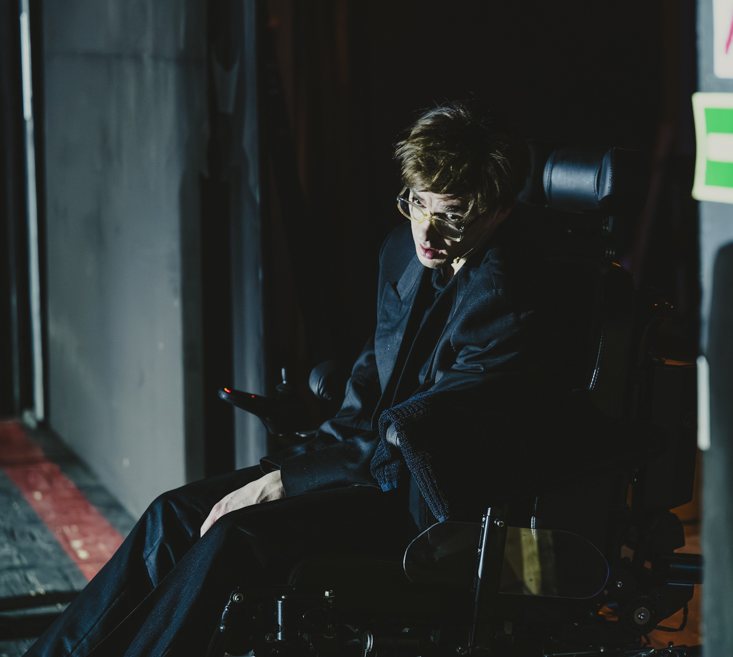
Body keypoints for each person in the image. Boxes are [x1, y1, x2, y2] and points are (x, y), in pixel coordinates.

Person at [26, 100, 592, 657]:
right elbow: (371, 385)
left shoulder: (511, 301)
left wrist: (283, 484)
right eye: (417, 203)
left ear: (500, 211)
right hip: (362, 463)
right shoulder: (404, 251)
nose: (426, 229)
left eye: (453, 215)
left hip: (422, 500)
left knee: (234, 537)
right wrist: (300, 462)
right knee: (174, 514)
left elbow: (416, 434)